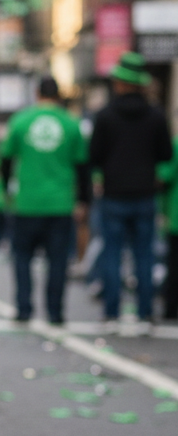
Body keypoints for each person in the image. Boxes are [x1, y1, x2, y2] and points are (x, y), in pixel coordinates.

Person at [89, 52, 173, 328]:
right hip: (145, 194)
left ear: (122, 83)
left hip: (114, 193)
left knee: (112, 254)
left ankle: (112, 311)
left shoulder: (105, 116)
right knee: (144, 255)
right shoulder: (156, 116)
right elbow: (165, 155)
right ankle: (145, 311)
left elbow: (95, 156)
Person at [0, 76, 90, 325]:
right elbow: (83, 168)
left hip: (27, 203)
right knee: (58, 261)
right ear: (58, 96)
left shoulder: (21, 121)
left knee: (22, 259)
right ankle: (55, 312)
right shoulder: (71, 125)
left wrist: (6, 189)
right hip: (60, 204)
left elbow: (5, 160)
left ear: (37, 93)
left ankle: (24, 309)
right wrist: (82, 201)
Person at [157, 133, 178, 320]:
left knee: (174, 267)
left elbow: (163, 177)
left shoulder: (176, 146)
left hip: (176, 216)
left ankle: (171, 310)